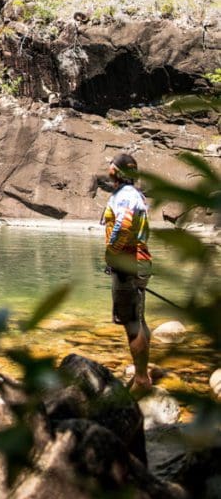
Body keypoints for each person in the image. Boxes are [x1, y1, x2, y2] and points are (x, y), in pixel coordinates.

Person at [101, 152, 153, 394]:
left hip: (128, 262)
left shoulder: (124, 195)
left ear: (119, 171)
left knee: (131, 321)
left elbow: (123, 225)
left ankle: (141, 380)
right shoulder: (132, 194)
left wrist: (112, 254)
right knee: (138, 318)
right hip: (138, 260)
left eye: (111, 165)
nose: (108, 168)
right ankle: (142, 374)